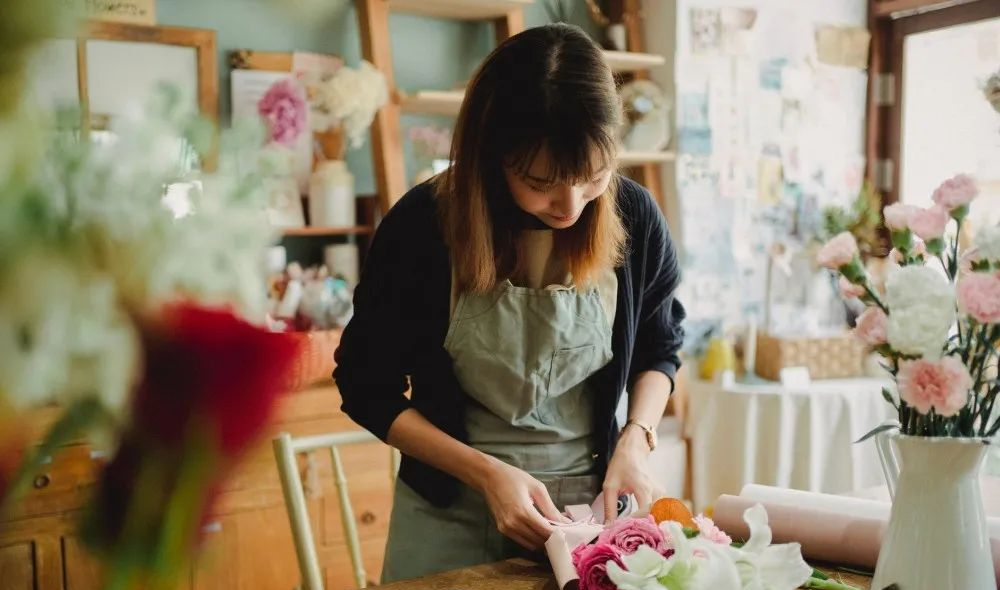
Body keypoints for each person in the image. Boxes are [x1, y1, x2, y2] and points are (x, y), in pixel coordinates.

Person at [334, 23, 685, 583]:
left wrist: (636, 442)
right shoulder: (423, 227)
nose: (570, 205)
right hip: (449, 504)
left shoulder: (636, 219)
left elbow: (659, 349)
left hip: (587, 511)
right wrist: (487, 474)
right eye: (542, 180)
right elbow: (364, 386)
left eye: (593, 176)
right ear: (493, 156)